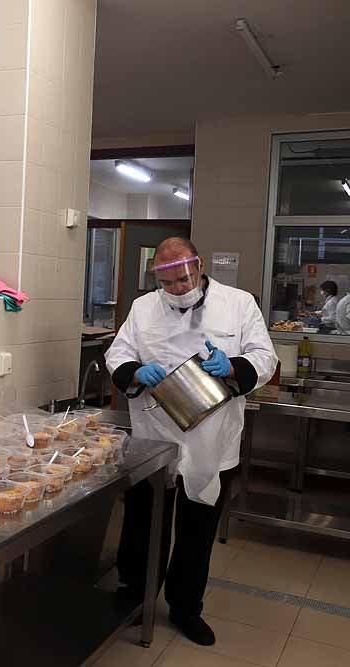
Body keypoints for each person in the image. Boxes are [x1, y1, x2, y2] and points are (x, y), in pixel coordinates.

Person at [105, 237, 277, 646]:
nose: (178, 289)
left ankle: (185, 608)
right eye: (168, 283)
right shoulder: (143, 307)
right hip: (154, 432)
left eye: (184, 279)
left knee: (197, 529)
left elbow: (264, 357)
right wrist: (133, 371)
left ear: (198, 267)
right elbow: (118, 352)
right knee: (144, 522)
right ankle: (135, 595)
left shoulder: (238, 303)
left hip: (211, 437)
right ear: (157, 277)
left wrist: (233, 365)